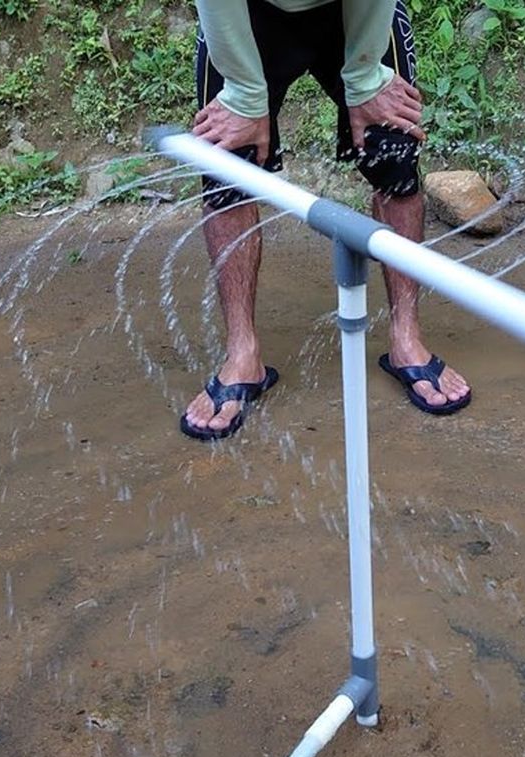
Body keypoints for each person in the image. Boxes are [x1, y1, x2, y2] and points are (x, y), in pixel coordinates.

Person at [180, 0, 472, 441]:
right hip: (244, 13)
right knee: (228, 169)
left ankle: (405, 336)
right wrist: (243, 96)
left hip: (356, 12)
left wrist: (365, 78)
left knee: (392, 148)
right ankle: (243, 355)